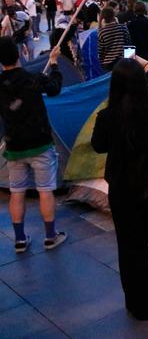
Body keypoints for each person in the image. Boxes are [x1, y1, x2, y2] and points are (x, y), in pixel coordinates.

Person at [91, 57, 148, 321]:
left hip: (123, 191)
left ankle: (141, 305)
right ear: (141, 83)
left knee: (130, 248)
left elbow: (98, 145)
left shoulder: (107, 117)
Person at [0, 38, 66, 253]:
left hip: (14, 147)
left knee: (16, 192)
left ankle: (19, 239)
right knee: (45, 190)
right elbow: (54, 88)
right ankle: (50, 236)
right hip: (40, 144)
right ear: (18, 54)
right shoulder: (31, 79)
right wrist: (54, 63)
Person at [127, 2, 148, 70]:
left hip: (137, 52)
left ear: (135, 10)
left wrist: (129, 57)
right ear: (144, 10)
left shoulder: (131, 23)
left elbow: (130, 40)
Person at [98, 7, 132, 72]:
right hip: (123, 61)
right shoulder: (123, 27)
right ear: (114, 16)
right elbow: (129, 43)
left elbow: (101, 51)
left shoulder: (102, 32)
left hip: (109, 64)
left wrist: (103, 62)